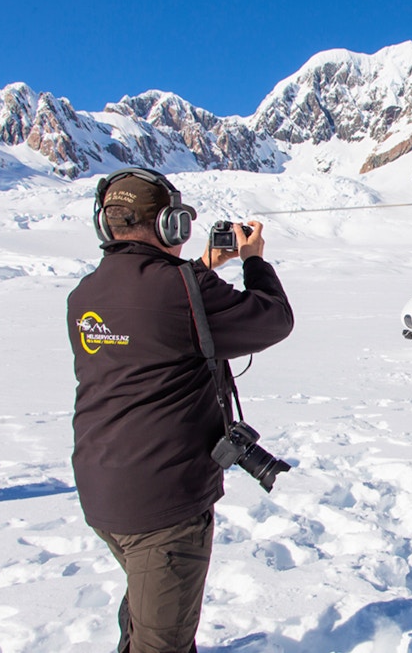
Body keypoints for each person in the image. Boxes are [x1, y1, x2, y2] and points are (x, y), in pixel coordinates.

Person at [67, 167, 294, 652]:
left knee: (146, 617)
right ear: (171, 225)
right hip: (163, 502)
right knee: (162, 642)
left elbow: (159, 316)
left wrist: (205, 266)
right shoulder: (182, 286)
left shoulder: (85, 295)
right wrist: (253, 261)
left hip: (103, 489)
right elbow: (273, 319)